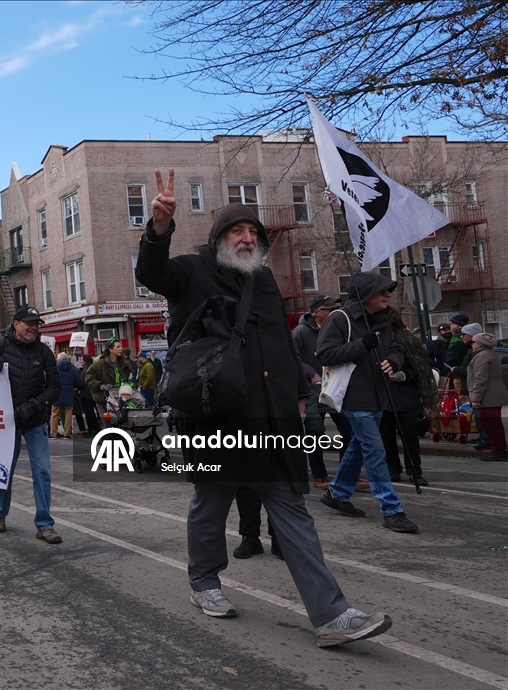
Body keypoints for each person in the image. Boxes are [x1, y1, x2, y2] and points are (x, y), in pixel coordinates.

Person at [136, 168, 391, 648]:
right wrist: (160, 226)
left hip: (272, 419)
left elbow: (280, 346)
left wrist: (299, 395)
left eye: (253, 231)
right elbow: (152, 273)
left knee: (292, 510)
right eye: (237, 230)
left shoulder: (266, 280)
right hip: (214, 420)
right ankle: (204, 582)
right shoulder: (193, 270)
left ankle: (331, 615)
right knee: (211, 505)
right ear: (219, 237)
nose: (248, 238)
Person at [316, 273, 418, 534]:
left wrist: (393, 361)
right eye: (382, 291)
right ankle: (391, 508)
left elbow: (395, 349)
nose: (388, 295)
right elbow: (325, 355)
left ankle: (337, 493)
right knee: (374, 449)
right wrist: (362, 344)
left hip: (379, 396)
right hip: (354, 396)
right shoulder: (339, 318)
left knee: (360, 447)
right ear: (365, 295)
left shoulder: (383, 319)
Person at [0, 305, 62, 544]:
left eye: (36, 324)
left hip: (35, 420)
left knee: (42, 471)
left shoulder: (44, 352)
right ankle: (0, 514)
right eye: (29, 323)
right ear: (16, 324)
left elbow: (55, 388)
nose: (34, 328)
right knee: (4, 470)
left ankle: (45, 525)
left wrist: (34, 405)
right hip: (6, 422)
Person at [291, 294, 357, 491]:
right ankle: (319, 475)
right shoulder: (300, 333)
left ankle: (346, 475)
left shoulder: (337, 328)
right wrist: (312, 374)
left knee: (349, 431)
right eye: (330, 309)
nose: (335, 312)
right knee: (315, 435)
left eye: (336, 308)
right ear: (317, 312)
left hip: (335, 390)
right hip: (312, 392)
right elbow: (293, 359)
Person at [379, 311, 437, 485]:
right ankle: (393, 468)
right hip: (383, 397)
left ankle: (414, 470)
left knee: (409, 437)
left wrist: (403, 375)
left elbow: (422, 371)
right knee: (386, 436)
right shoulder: (378, 341)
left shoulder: (409, 341)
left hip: (405, 397)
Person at [467, 332, 508, 461]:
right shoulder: (491, 354)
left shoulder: (482, 356)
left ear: (479, 344)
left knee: (490, 424)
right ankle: (498, 449)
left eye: (473, 342)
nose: (471, 344)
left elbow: (480, 378)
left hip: (488, 395)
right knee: (494, 423)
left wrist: (476, 398)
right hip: (494, 393)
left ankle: (498, 450)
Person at [85, 339, 135, 418]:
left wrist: (131, 385)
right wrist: (101, 386)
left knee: (121, 424)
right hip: (104, 401)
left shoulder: (125, 364)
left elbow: (132, 378)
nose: (121, 348)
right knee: (108, 425)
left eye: (121, 346)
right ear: (110, 349)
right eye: (118, 347)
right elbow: (88, 378)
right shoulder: (99, 364)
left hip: (122, 400)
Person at [51, 352, 82, 438]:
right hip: (69, 394)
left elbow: (50, 380)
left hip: (56, 395)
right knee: (68, 415)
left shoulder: (55, 369)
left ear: (59, 359)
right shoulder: (72, 369)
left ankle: (53, 433)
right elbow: (78, 382)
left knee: (54, 414)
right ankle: (67, 433)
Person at [76, 354, 101, 437]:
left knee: (88, 412)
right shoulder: (94, 368)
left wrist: (77, 386)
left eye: (82, 360)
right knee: (93, 412)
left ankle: (91, 429)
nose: (81, 361)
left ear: (85, 361)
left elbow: (82, 383)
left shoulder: (85, 370)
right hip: (94, 393)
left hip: (86, 394)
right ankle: (96, 428)